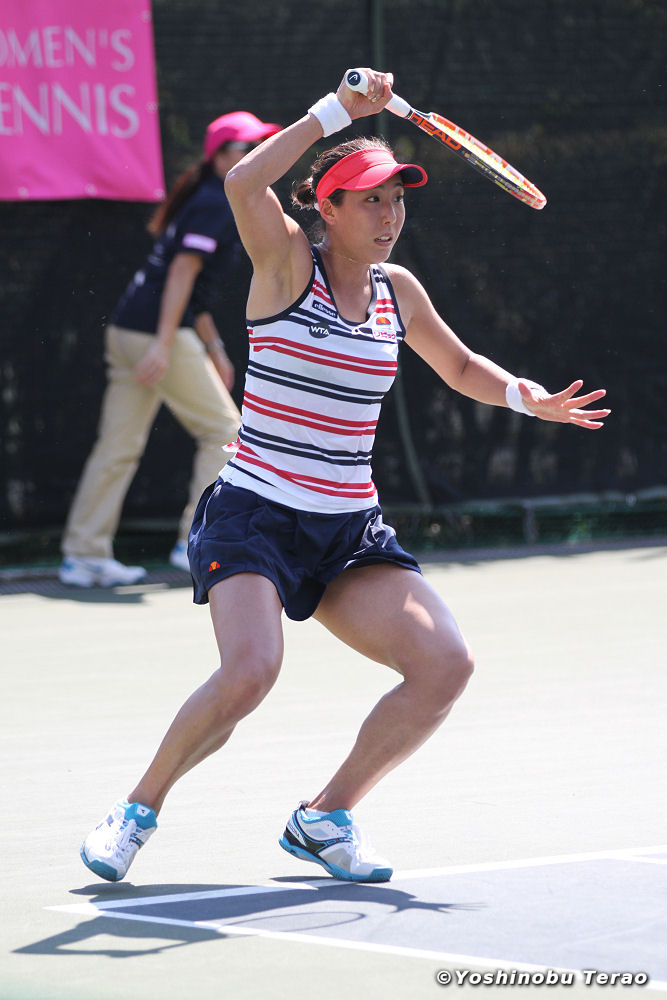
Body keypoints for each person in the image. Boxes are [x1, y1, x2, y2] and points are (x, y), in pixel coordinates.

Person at [80, 70, 609, 882]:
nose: (388, 215)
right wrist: (333, 112)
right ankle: (136, 809)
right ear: (325, 210)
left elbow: (458, 365)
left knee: (445, 666)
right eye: (369, 201)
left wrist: (521, 396)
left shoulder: (399, 292)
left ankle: (325, 817)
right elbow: (242, 181)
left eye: (396, 200)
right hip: (255, 513)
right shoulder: (286, 264)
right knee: (250, 673)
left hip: (346, 529)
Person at [59, 111, 281, 587]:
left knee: (117, 447)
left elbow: (191, 291)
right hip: (153, 334)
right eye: (246, 148)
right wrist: (163, 344)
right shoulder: (215, 202)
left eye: (260, 146)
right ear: (220, 157)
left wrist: (214, 348)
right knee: (225, 432)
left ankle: (83, 554)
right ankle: (195, 543)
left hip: (128, 330)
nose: (256, 154)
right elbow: (181, 273)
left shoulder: (210, 198)